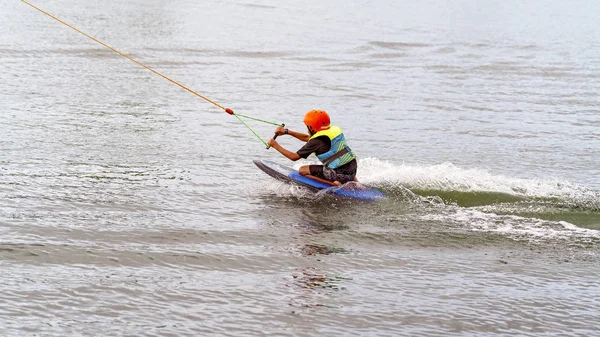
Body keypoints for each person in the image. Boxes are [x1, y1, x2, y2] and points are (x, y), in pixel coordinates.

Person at [267, 110, 357, 186]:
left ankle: (334, 184)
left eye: (307, 126)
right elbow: (307, 138)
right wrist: (287, 132)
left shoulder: (315, 142)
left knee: (302, 170)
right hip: (353, 168)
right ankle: (354, 181)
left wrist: (275, 145)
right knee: (342, 164)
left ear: (311, 127)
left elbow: (294, 157)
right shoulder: (332, 131)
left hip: (338, 174)